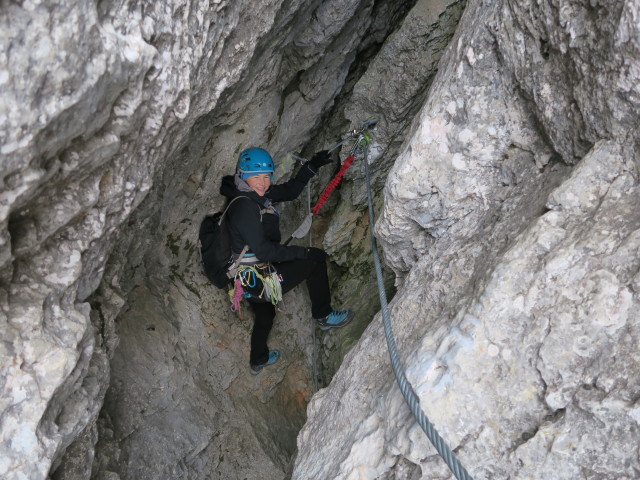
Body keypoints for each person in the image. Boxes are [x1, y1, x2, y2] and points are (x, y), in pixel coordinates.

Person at [220, 147, 354, 374]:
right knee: (314, 260)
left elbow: (291, 191)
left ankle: (258, 360)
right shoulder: (245, 207)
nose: (262, 182)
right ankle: (324, 315)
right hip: (258, 279)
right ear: (243, 176)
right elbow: (265, 252)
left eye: (266, 176)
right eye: (256, 177)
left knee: (265, 313)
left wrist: (311, 166)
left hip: (246, 278)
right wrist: (301, 253)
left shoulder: (257, 195)